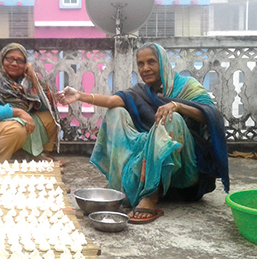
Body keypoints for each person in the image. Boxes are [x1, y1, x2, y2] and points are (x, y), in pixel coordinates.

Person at [56, 43, 229, 224]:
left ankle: (151, 194)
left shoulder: (187, 86)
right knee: (116, 112)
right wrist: (79, 95)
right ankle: (119, 183)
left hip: (185, 167)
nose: (145, 68)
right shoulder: (140, 91)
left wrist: (177, 106)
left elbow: (211, 115)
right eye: (140, 64)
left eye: (151, 62)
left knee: (171, 117)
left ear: (162, 63)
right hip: (149, 162)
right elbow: (110, 100)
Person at [0, 43, 61, 164]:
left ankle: (38, 157)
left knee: (50, 119)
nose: (14, 63)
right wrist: (18, 112)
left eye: (20, 61)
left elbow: (46, 105)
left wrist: (33, 77)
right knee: (16, 128)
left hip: (17, 120)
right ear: (2, 59)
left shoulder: (25, 81)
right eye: (10, 59)